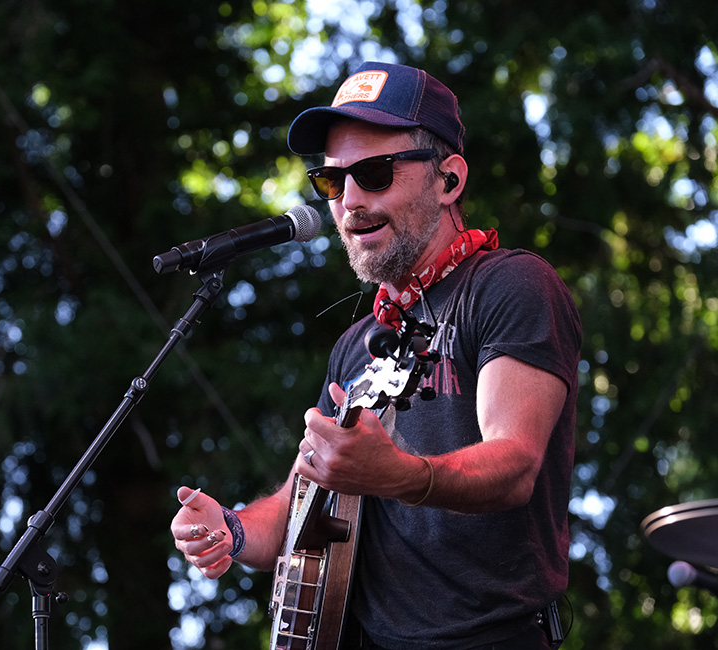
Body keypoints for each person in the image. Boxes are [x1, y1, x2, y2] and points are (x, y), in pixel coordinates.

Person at [170, 61, 581, 650]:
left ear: (449, 180)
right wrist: (230, 530)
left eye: (376, 173)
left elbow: (514, 463)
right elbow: (298, 502)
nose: (351, 202)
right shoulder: (355, 344)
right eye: (333, 182)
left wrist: (400, 476)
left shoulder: (509, 285)